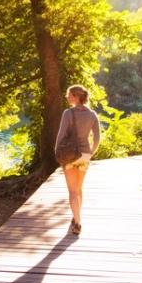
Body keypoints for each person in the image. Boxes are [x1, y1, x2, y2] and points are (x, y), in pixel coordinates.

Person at [55, 84, 101, 235]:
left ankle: (78, 222)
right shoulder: (93, 114)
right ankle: (76, 217)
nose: (67, 97)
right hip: (85, 155)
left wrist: (57, 153)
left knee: (72, 191)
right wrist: (91, 152)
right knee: (79, 188)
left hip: (69, 156)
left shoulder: (68, 113)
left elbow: (60, 136)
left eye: (69, 95)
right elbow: (97, 138)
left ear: (75, 96)